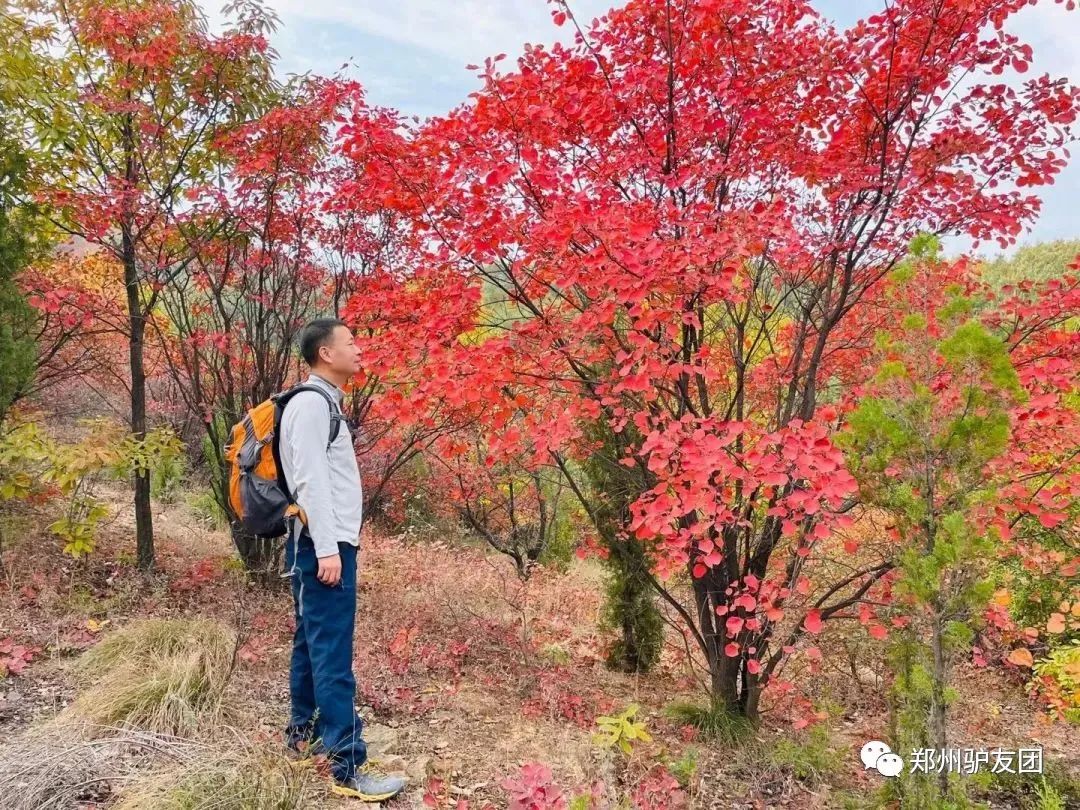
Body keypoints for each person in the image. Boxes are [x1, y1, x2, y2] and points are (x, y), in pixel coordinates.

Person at [278, 317, 407, 801]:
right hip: (321, 545)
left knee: (311, 642)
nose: (359, 349)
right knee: (332, 651)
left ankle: (303, 733)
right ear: (325, 354)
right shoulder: (312, 406)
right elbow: (310, 480)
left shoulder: (321, 403)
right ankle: (346, 766)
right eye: (350, 342)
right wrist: (330, 548)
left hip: (316, 542)